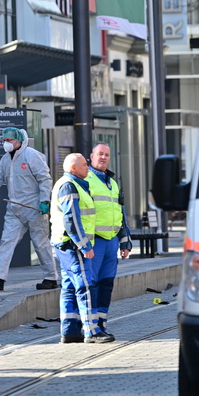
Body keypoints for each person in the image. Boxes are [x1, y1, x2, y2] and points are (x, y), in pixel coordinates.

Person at [0, 126, 58, 291]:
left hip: (34, 207)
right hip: (15, 208)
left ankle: (51, 277)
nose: (6, 143)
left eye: (9, 140)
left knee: (40, 243)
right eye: (4, 140)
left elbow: (44, 179)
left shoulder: (31, 156)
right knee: (6, 241)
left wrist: (44, 201)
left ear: (20, 141)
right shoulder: (6, 159)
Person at [50, 153, 108, 343]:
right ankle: (92, 332)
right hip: (73, 245)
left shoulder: (70, 183)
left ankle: (69, 331)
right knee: (86, 285)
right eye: (84, 165)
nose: (88, 167)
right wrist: (84, 245)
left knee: (68, 286)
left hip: (64, 244)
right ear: (73, 168)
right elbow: (71, 219)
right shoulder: (69, 185)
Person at [86, 142, 133, 342]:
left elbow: (120, 215)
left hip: (111, 242)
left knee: (106, 284)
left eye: (106, 154)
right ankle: (92, 328)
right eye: (99, 154)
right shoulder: (85, 179)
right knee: (92, 284)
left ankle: (102, 324)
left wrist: (125, 242)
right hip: (94, 242)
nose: (103, 157)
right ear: (91, 156)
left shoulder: (112, 183)